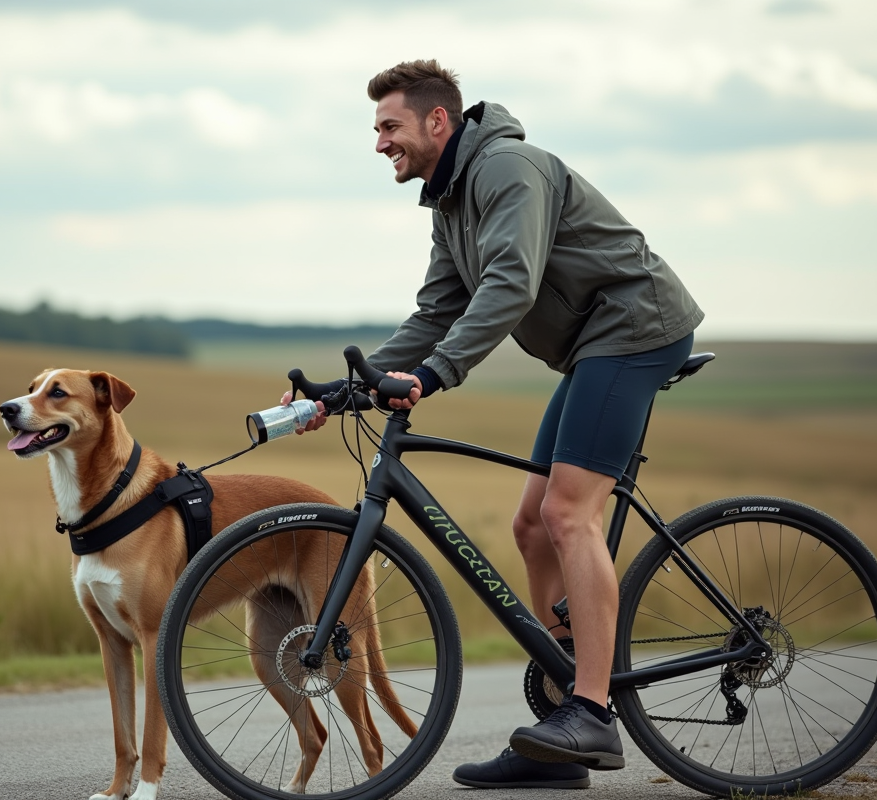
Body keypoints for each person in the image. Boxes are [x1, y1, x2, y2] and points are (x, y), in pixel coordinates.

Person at [289, 59, 703, 789]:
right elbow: (437, 310)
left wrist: (436, 374)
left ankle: (592, 711)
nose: (380, 142)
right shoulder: (448, 201)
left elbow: (511, 281)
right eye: (377, 129)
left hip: (636, 327)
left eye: (389, 126)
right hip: (592, 345)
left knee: (569, 513)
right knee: (532, 526)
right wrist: (352, 386)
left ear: (436, 121)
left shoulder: (508, 169)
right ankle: (558, 733)